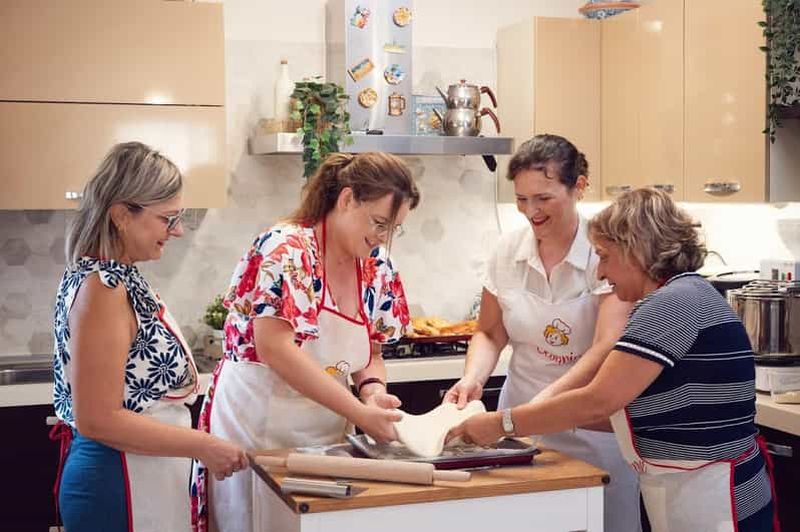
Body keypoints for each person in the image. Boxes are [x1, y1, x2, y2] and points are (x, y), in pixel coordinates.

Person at [449, 188, 778, 532]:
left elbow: (599, 400)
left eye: (605, 257)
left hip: (716, 500)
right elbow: (638, 412)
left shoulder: (670, 305)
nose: (601, 273)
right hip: (696, 491)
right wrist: (531, 419)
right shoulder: (685, 295)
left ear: (635, 251)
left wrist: (500, 424)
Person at [190, 152, 421, 532]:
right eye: (379, 223)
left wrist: (372, 391)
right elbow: (275, 349)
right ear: (346, 199)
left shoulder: (378, 267)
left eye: (394, 229)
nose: (383, 238)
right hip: (256, 427)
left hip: (325, 436)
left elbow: (371, 350)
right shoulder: (287, 250)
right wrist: (360, 414)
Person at [443, 134, 641, 531]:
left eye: (543, 198)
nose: (530, 211)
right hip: (519, 437)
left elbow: (606, 346)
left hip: (593, 432)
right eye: (521, 199)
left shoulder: (605, 252)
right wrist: (473, 377)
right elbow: (489, 331)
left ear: (578, 187)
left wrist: (544, 404)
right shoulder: (507, 250)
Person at [51, 142, 248, 532]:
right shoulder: (101, 287)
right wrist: (204, 446)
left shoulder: (118, 277)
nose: (177, 231)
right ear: (122, 215)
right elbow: (98, 419)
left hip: (143, 474)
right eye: (167, 218)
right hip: (118, 483)